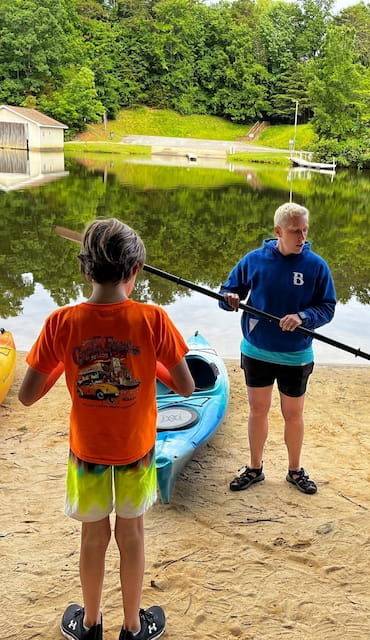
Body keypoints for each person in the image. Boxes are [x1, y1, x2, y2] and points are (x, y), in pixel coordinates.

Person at [19, 219, 195, 640]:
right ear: (135, 270)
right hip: (136, 451)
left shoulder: (62, 322)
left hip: (87, 454)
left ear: (85, 269)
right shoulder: (153, 319)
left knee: (93, 535)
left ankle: (91, 622)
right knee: (131, 534)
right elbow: (186, 385)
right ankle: (132, 626)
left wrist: (67, 358)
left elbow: (28, 395)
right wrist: (145, 362)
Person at [220, 202, 336, 494]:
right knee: (258, 410)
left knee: (293, 414)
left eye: (305, 231)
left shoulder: (316, 266)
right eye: (295, 231)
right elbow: (227, 292)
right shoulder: (254, 260)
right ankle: (255, 468)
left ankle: (295, 470)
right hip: (257, 350)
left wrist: (303, 317)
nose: (302, 238)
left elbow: (327, 307)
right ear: (278, 231)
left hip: (296, 355)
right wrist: (229, 297)